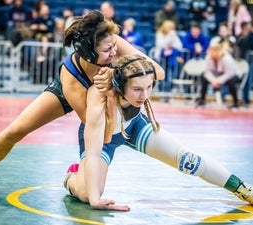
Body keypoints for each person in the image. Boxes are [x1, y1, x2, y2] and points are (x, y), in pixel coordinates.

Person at [0, 10, 164, 195]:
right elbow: (97, 131)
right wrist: (107, 92)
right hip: (72, 89)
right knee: (15, 130)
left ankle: (78, 174)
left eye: (113, 46)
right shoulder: (70, 78)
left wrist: (114, 79)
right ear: (89, 53)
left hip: (108, 91)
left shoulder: (113, 42)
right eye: (107, 51)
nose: (114, 52)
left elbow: (160, 73)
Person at [63, 54, 253, 211]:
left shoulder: (134, 74)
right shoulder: (99, 100)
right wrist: (95, 200)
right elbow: (95, 153)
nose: (144, 96)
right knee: (88, 194)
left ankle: (243, 188)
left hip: (134, 126)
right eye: (137, 89)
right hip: (102, 139)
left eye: (149, 87)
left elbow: (150, 68)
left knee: (188, 160)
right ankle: (72, 177)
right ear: (120, 86)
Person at [196, 42, 241, 108]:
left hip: (232, 75)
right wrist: (213, 80)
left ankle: (235, 102)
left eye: (212, 51)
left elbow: (229, 73)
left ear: (217, 51)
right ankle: (202, 100)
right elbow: (207, 71)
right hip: (217, 75)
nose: (209, 52)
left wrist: (218, 81)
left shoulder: (226, 58)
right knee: (204, 78)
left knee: (231, 82)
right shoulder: (208, 57)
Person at [154, 19, 183, 92]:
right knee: (163, 74)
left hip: (171, 58)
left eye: (172, 27)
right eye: (169, 27)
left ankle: (169, 90)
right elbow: (161, 45)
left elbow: (179, 46)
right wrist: (170, 37)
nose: (171, 29)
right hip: (161, 58)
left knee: (173, 75)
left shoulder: (173, 34)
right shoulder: (160, 34)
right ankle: (161, 90)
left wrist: (172, 38)